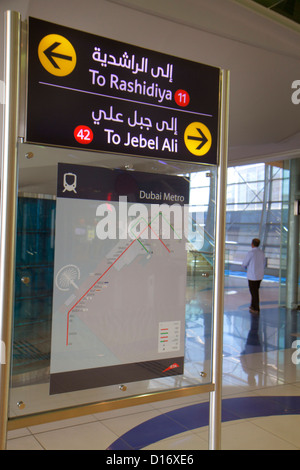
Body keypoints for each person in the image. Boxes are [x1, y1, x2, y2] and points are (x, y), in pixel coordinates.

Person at [242, 238, 266, 314]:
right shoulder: (261, 253)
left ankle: (256, 308)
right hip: (259, 276)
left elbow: (245, 263)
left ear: (252, 244)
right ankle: (252, 305)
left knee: (254, 292)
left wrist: (245, 266)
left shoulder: (251, 253)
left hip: (252, 276)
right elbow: (264, 263)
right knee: (255, 291)